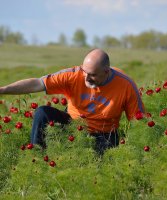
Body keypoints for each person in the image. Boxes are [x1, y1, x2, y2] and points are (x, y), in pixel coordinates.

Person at [0, 49, 144, 155]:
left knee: (97, 165)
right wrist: (3, 90)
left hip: (104, 134)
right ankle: (36, 157)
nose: (86, 78)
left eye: (93, 75)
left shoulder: (126, 85)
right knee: (42, 112)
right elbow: (37, 83)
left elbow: (140, 122)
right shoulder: (73, 75)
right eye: (84, 72)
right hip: (72, 123)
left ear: (106, 72)